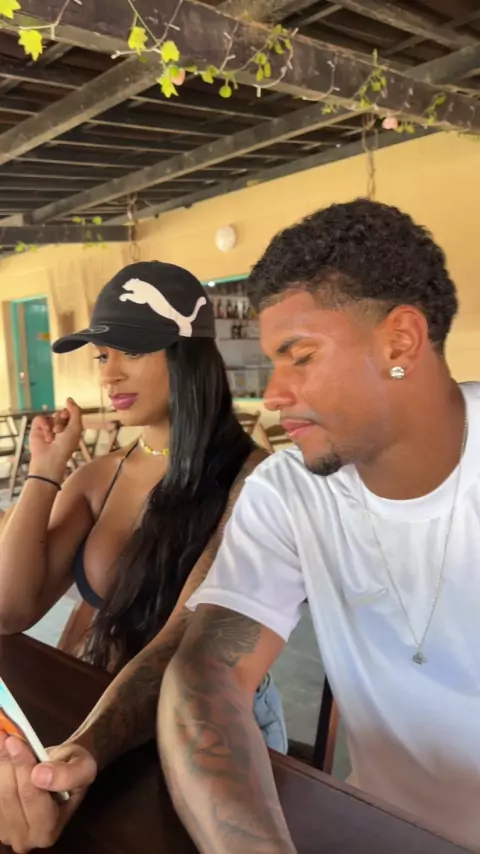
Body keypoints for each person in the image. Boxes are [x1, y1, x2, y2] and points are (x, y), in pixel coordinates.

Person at [159, 199, 480, 853]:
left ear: (399, 343)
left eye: (300, 357)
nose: (273, 394)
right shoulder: (291, 492)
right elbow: (207, 674)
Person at [0, 261, 286, 854]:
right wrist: (45, 471)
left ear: (186, 354)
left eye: (130, 350)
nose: (110, 373)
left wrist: (88, 748)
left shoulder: (254, 481)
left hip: (209, 734)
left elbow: (183, 643)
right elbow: (10, 609)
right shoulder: (101, 476)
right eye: (102, 356)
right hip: (94, 710)